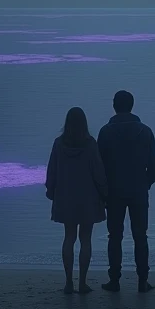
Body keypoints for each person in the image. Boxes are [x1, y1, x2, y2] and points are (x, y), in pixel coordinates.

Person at [96, 90, 155, 293]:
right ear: (132, 106)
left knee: (114, 236)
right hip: (138, 190)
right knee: (140, 236)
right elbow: (154, 165)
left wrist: (102, 190)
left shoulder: (106, 132)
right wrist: (145, 183)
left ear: (114, 106)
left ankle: (114, 280)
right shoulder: (146, 131)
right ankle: (142, 280)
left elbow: (100, 165)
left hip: (114, 191)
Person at [45, 106, 108, 294]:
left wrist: (51, 190)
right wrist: (105, 193)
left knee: (69, 237)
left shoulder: (58, 144)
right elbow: (98, 172)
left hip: (65, 197)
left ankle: (68, 282)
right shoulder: (90, 144)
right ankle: (82, 282)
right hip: (88, 198)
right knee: (86, 239)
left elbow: (52, 171)